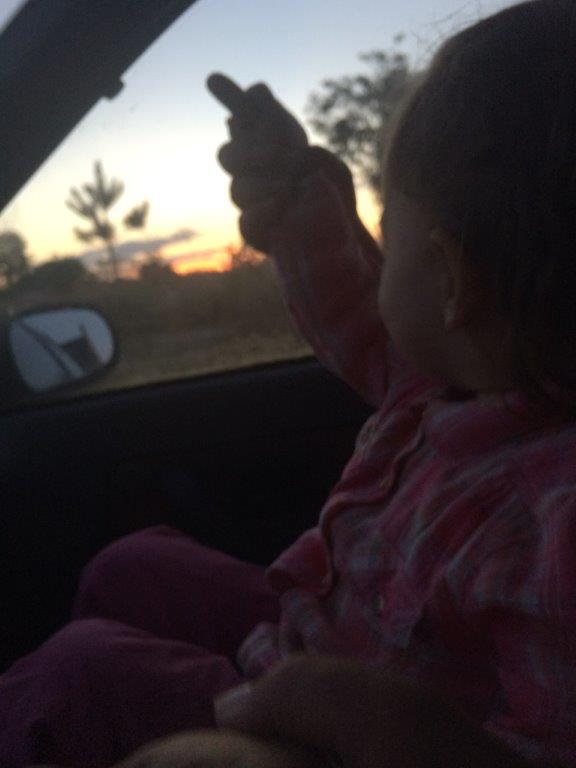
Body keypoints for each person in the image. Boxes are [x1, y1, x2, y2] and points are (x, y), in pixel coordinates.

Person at [2, 0, 576, 765]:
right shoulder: (444, 379)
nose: (377, 260)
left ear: (449, 278)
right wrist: (299, 189)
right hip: (318, 640)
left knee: (78, 679)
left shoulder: (555, 533)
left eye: (388, 226)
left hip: (324, 733)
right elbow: (356, 309)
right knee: (131, 565)